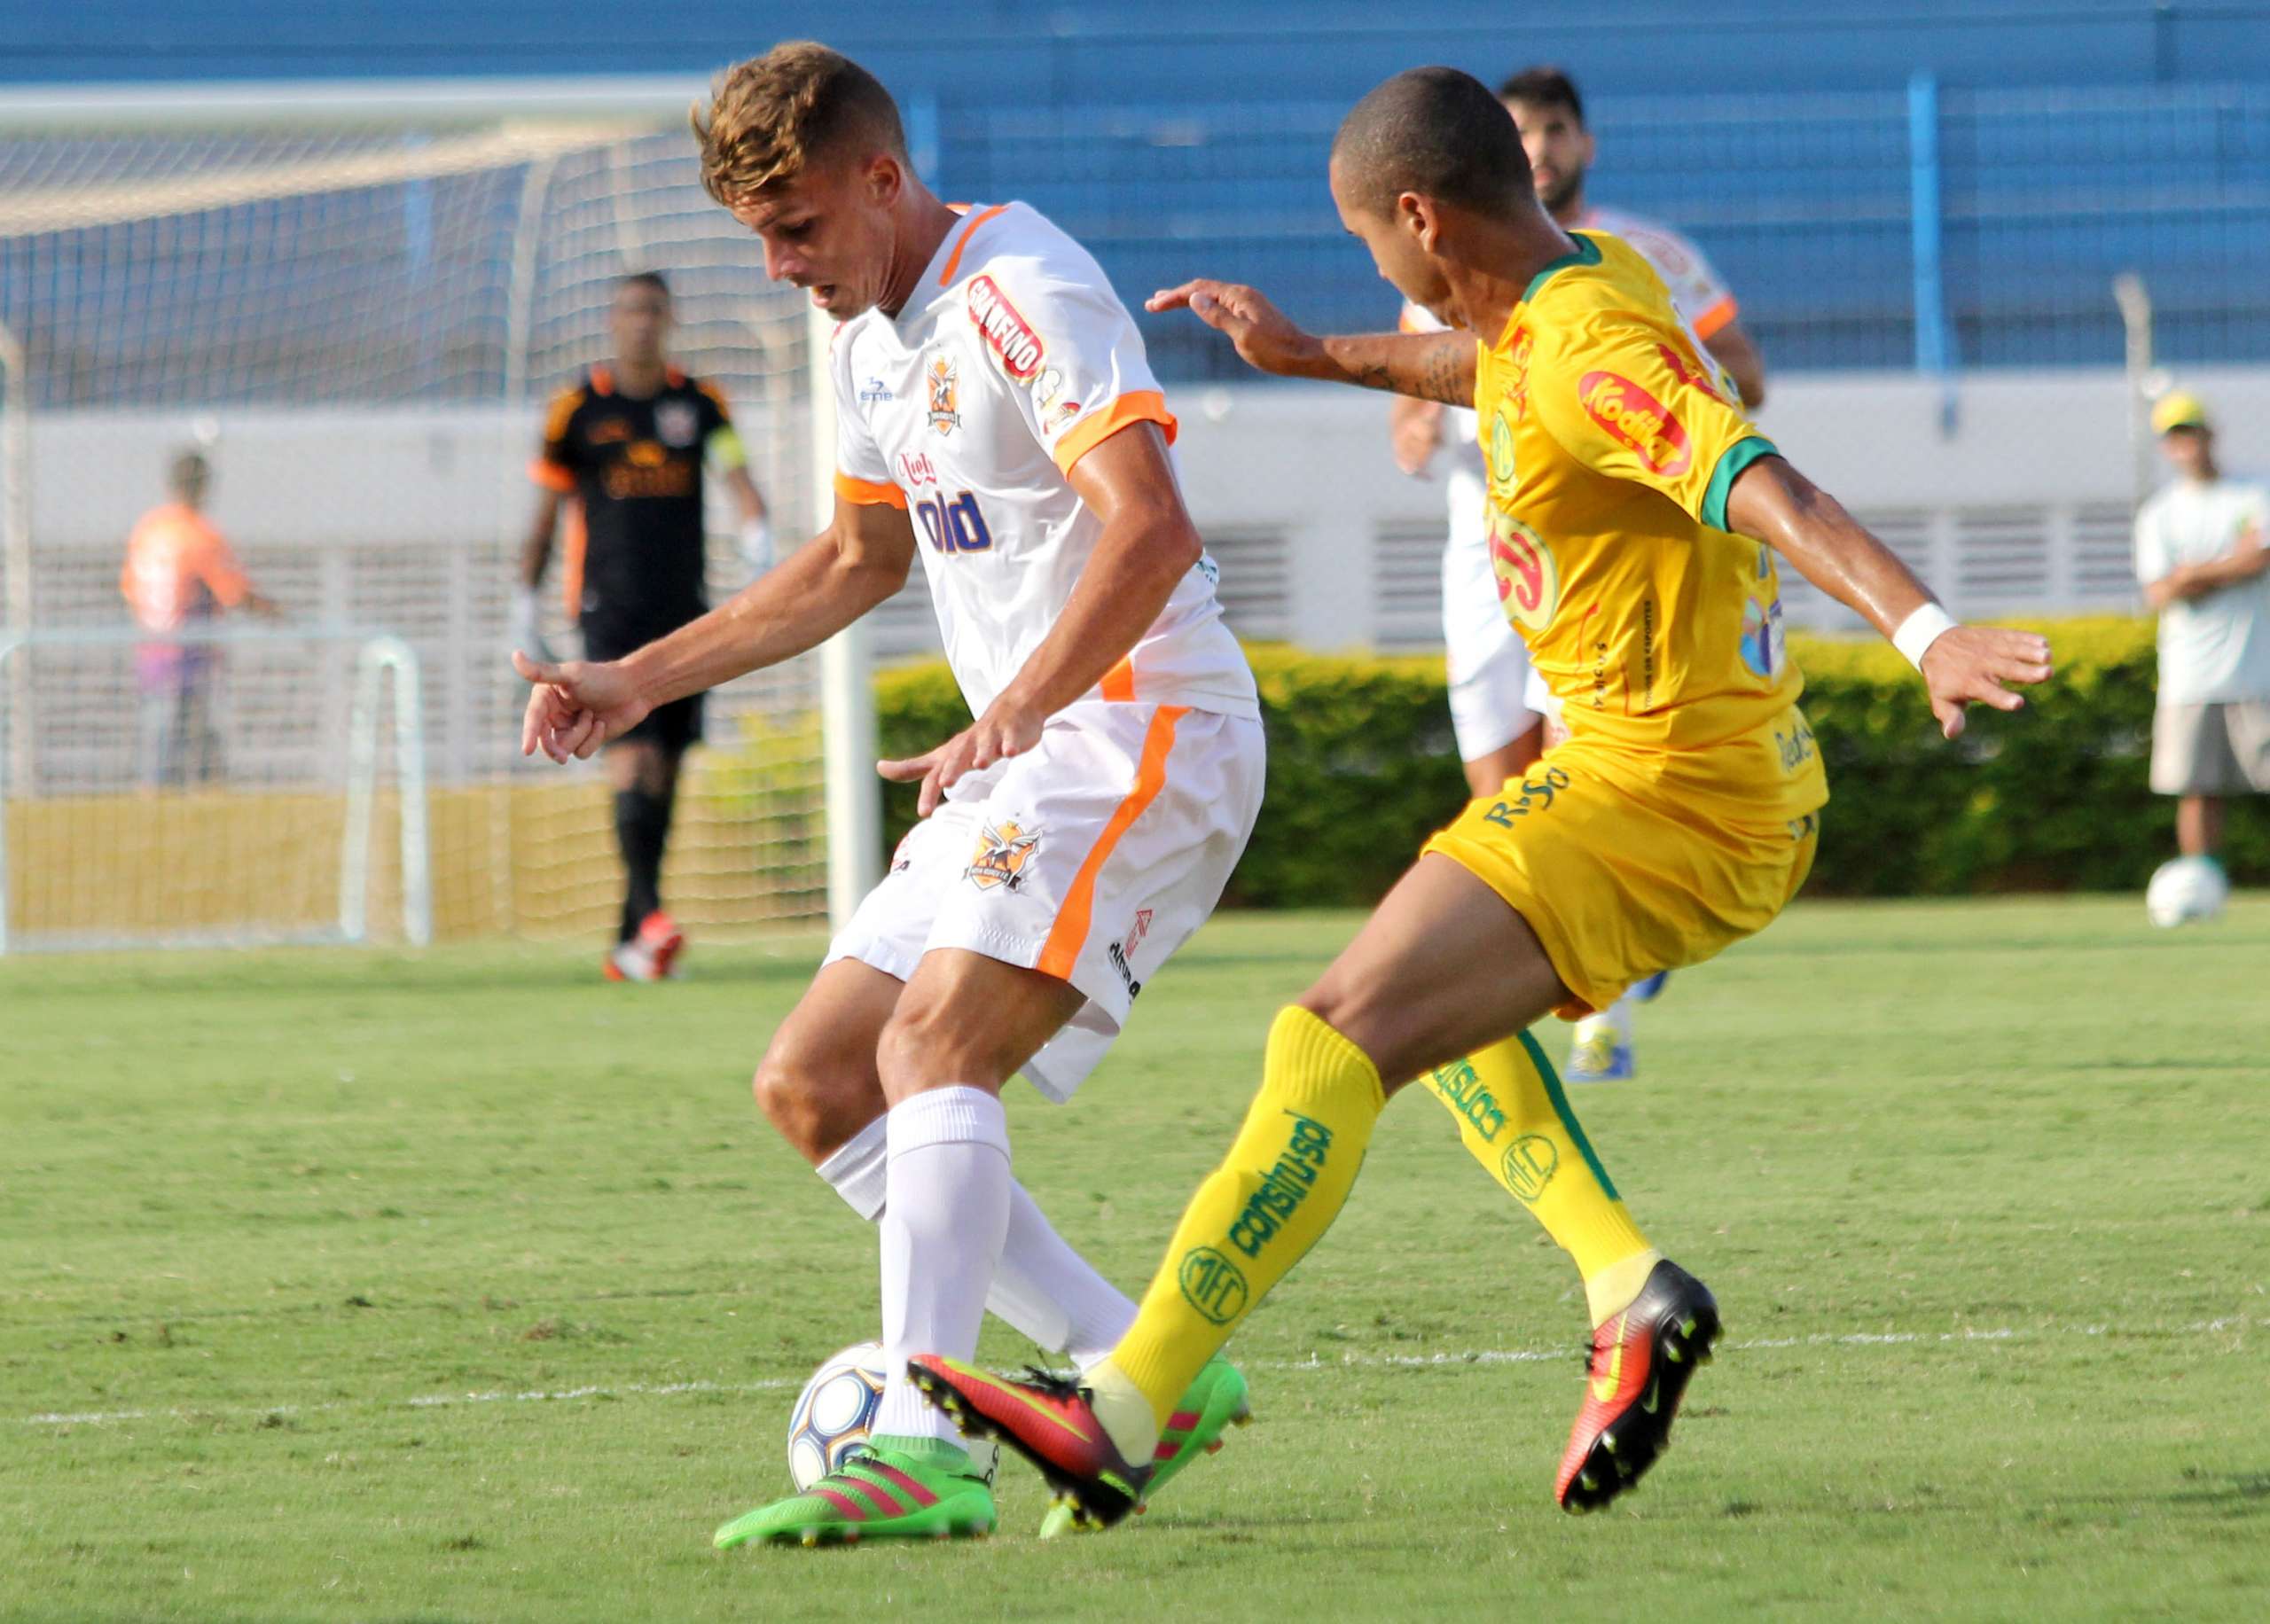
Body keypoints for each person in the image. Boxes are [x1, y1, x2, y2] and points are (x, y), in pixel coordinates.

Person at [911, 65, 2051, 1529]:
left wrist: (1922, 627)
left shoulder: (1585, 349)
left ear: (1420, 218)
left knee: (1327, 1038)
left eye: (1368, 251)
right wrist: (1318, 354)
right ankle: (1629, 1289)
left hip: (1668, 793)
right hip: (1658, 778)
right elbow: (1493, 372)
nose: (1373, 274)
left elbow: (1760, 476)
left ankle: (1123, 1406)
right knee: (1437, 1025)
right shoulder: (1577, 287)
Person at [513, 42, 1266, 1547]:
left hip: (1140, 730)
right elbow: (858, 562)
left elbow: (1155, 526)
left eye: (800, 226)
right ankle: (1147, 1373)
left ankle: (925, 1440)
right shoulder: (865, 340)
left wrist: (1019, 707)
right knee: (814, 1081)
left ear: (883, 176)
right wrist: (639, 677)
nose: (785, 265)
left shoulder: (1021, 283)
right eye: (759, 238)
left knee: (933, 1044)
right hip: (1028, 747)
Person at [1389, 66, 1766, 1083]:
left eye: (1555, 129)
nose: (1541, 147)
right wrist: (1417, 419)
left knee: (1581, 773)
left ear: (1584, 145)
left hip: (1594, 550)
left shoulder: (1643, 256)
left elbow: (1743, 374)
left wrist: (1642, 375)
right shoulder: (1441, 265)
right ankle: (1526, 1000)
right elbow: (1410, 414)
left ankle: (1600, 1016)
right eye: (1520, 132)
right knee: (1496, 795)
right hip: (1482, 553)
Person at [518, 270, 774, 982]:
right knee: (630, 761)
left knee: (665, 772)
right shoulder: (576, 411)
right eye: (630, 310)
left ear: (670, 321)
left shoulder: (700, 404)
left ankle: (632, 941)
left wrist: (759, 536)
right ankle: (654, 916)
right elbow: (544, 514)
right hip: (608, 612)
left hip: (684, 615)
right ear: (612, 320)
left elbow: (737, 477)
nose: (641, 322)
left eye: (654, 310)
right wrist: (523, 598)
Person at [2133, 390, 2270, 876]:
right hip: (2190, 675)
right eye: (2175, 435)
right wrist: (2227, 565)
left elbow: (2261, 556)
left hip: (2258, 672)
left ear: (2210, 434)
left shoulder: (2253, 493)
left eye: (2191, 431)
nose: (2185, 443)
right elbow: (2160, 590)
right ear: (2166, 446)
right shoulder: (2159, 514)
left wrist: (2196, 575)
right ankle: (2202, 880)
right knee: (2197, 789)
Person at [120, 449, 278, 789]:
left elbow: (129, 588)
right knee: (184, 723)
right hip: (188, 649)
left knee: (164, 724)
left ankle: (168, 787)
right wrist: (273, 611)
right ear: (204, 487)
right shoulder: (199, 535)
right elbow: (234, 592)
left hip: (151, 647)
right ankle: (183, 787)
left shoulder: (149, 530)